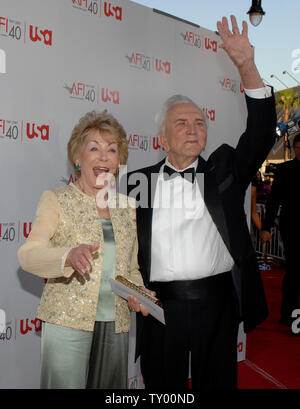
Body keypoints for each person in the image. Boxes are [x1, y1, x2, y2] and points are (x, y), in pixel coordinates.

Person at [126, 16, 277, 390]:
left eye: (199, 122)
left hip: (217, 301)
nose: (193, 128)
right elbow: (124, 247)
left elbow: (259, 135)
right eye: (181, 123)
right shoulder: (136, 182)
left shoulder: (225, 168)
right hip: (159, 305)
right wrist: (130, 291)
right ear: (162, 137)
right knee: (163, 388)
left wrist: (246, 66)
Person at [17, 110, 146, 389]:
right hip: (66, 323)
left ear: (119, 161)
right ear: (77, 158)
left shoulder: (128, 207)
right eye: (94, 148)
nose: (103, 157)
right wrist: (68, 256)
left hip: (116, 323)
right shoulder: (56, 199)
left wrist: (139, 292)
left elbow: (130, 268)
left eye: (112, 150)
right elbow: (28, 255)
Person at [260, 133, 300, 328]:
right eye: (299, 147)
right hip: (292, 225)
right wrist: (266, 227)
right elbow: (273, 200)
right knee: (294, 270)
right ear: (294, 149)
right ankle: (290, 315)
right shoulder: (285, 170)